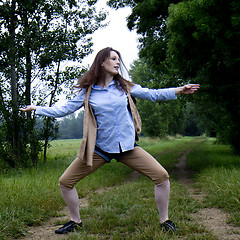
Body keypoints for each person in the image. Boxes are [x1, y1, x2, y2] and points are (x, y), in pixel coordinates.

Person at [20, 47, 199, 234]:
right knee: (65, 182)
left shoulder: (125, 87)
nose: (117, 62)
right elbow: (63, 110)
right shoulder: (88, 92)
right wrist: (36, 109)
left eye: (118, 59)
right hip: (100, 149)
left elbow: (152, 94)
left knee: (162, 176)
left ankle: (165, 221)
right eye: (113, 59)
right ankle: (75, 221)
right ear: (102, 62)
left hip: (128, 148)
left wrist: (180, 90)